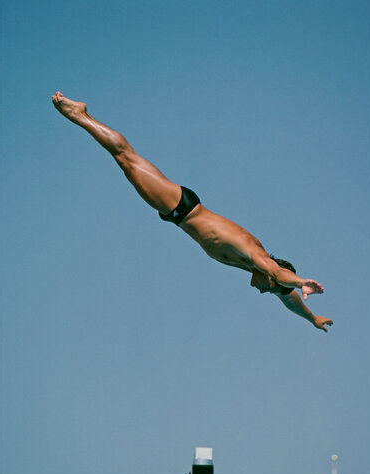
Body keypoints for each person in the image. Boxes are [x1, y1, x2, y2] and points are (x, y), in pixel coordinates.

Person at [52, 92, 333, 332]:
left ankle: (83, 117)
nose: (263, 291)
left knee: (127, 160)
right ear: (274, 275)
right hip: (181, 208)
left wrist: (312, 319)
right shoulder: (257, 257)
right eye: (269, 287)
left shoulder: (253, 266)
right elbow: (279, 276)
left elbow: (287, 298)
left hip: (180, 212)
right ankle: (81, 115)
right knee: (125, 158)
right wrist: (302, 280)